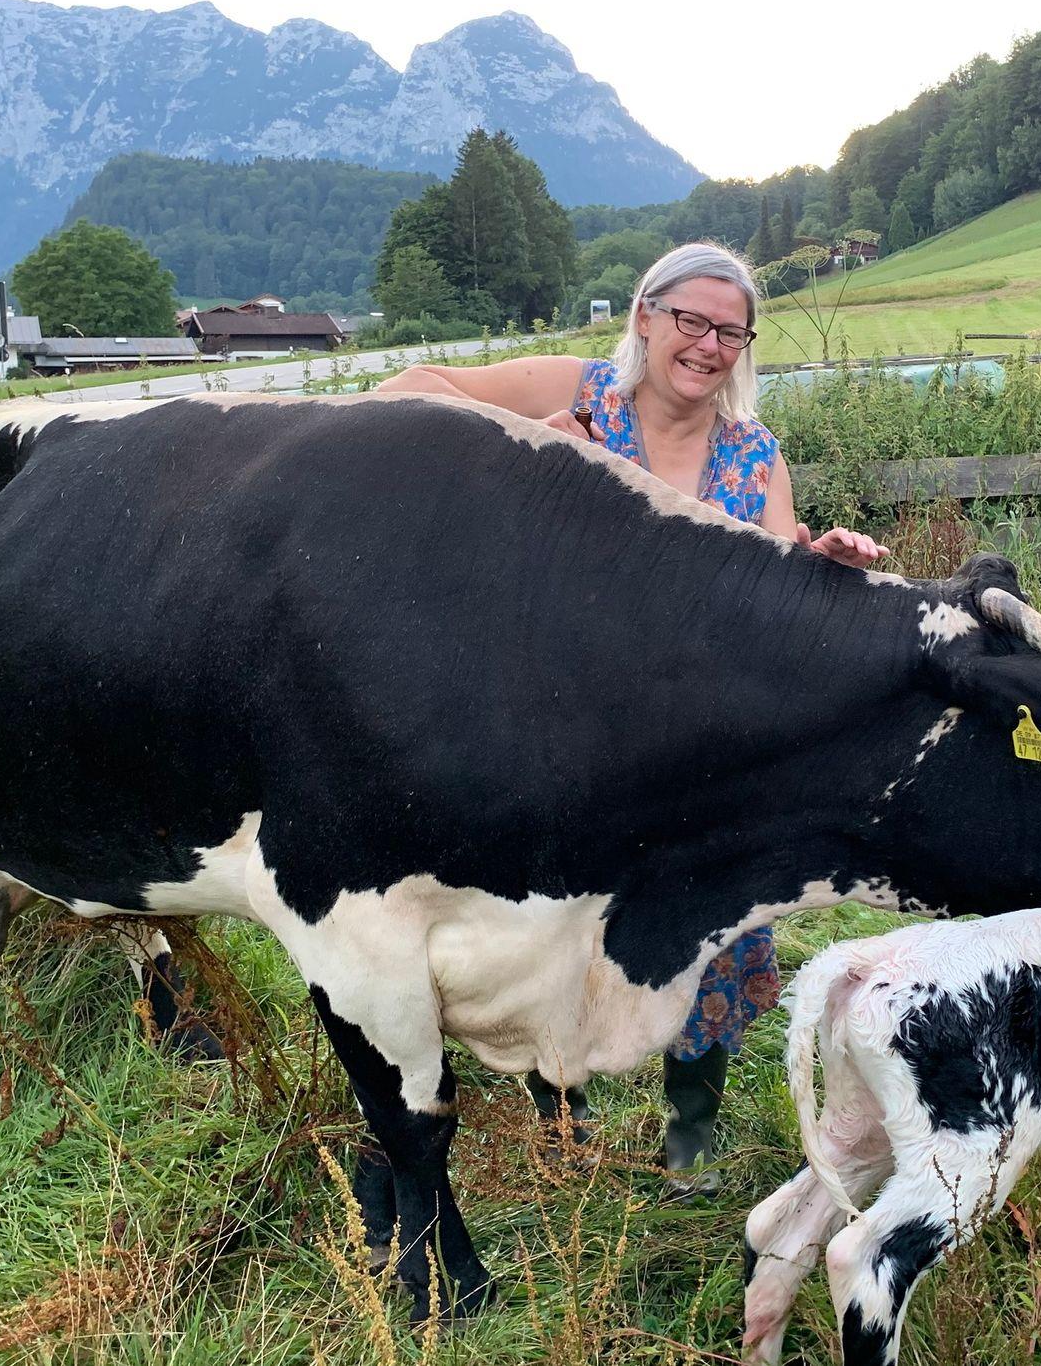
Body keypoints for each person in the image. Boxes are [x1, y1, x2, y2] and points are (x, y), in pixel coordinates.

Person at [377, 241, 888, 1189]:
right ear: (646, 315)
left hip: (698, 737)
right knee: (559, 927)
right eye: (691, 319)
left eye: (730, 331)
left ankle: (691, 1134)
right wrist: (519, 441)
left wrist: (824, 567)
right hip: (560, 728)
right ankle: (560, 1119)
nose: (708, 345)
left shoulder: (753, 452)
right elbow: (407, 388)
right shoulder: (578, 394)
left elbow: (775, 588)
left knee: (717, 920)